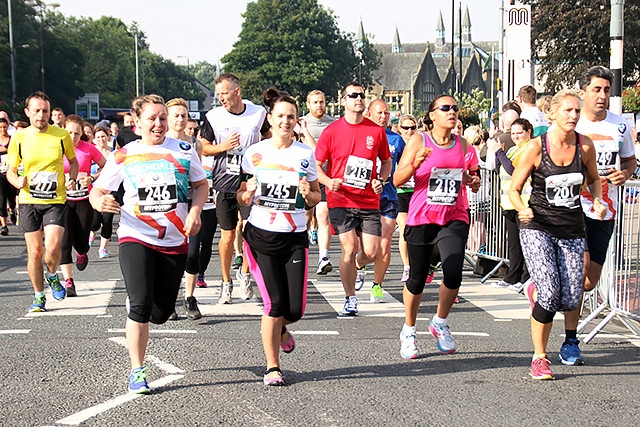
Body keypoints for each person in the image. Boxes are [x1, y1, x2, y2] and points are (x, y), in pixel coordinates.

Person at [89, 94, 208, 394]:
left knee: (161, 313)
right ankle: (137, 370)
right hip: (135, 236)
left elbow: (201, 184)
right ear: (137, 122)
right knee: (141, 306)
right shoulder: (124, 154)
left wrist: (195, 211)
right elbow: (98, 189)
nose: (158, 124)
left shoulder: (183, 150)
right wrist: (101, 201)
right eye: (152, 119)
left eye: (162, 118)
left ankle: (143, 304)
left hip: (174, 240)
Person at [509, 89, 605, 380]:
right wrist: (521, 208)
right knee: (550, 295)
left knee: (572, 295)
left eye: (577, 111)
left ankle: (569, 339)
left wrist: (597, 200)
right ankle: (539, 358)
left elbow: (594, 179)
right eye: (568, 111)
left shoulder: (584, 146)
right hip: (538, 226)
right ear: (553, 114)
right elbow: (513, 189)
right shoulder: (536, 148)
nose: (574, 116)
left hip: (572, 229)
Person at [238, 87, 320, 386]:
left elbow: (315, 196)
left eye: (291, 117)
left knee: (294, 310)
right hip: (261, 235)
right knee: (273, 304)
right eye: (280, 116)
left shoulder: (304, 154)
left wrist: (307, 193)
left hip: (294, 235)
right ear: (270, 119)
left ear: (297, 121)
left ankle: (283, 330)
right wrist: (246, 193)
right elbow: (242, 194)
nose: (286, 121)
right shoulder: (255, 153)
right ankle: (273, 366)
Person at [559, 66, 636, 365]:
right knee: (581, 270)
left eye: (606, 90)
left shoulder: (620, 126)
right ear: (583, 92)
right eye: (596, 89)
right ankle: (570, 340)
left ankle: (546, 289)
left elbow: (629, 160)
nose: (602, 95)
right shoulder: (572, 125)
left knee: (589, 282)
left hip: (605, 209)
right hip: (573, 208)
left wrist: (625, 173)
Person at [393, 94, 480, 359]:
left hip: (454, 216)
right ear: (432, 115)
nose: (452, 112)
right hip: (422, 217)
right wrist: (414, 164)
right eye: (445, 108)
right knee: (417, 280)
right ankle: (409, 329)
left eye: (454, 108)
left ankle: (440, 322)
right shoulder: (419, 140)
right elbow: (397, 179)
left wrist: (471, 181)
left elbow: (462, 175)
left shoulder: (462, 143)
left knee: (453, 272)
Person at [315, 83, 392, 316]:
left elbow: (386, 161)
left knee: (371, 252)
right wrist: (329, 182)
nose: (359, 99)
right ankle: (350, 298)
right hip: (341, 199)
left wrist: (382, 179)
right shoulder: (331, 131)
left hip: (368, 200)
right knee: (349, 248)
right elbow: (317, 166)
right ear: (343, 100)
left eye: (362, 95)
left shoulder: (375, 131)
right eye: (354, 95)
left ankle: (358, 266)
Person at [6, 91, 78, 312]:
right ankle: (39, 296)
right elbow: (10, 170)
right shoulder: (19, 138)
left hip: (55, 199)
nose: (41, 115)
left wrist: (72, 178)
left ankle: (53, 275)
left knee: (53, 247)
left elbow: (73, 162)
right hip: (28, 199)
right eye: (36, 111)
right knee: (35, 252)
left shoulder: (61, 135)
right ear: (27, 112)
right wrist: (17, 181)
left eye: (45, 111)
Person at [200, 73, 268, 304]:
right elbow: (204, 148)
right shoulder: (213, 117)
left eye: (224, 93)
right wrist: (223, 146)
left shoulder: (258, 113)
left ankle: (246, 274)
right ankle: (226, 282)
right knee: (228, 235)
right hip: (225, 180)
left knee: (251, 231)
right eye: (218, 94)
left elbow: (269, 137)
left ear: (237, 91)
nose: (221, 98)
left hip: (251, 180)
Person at [166, 98, 211, 320]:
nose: (180, 119)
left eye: (184, 115)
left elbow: (198, 177)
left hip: (190, 205)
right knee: (172, 256)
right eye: (176, 115)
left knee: (193, 254)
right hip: (165, 208)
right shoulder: (159, 142)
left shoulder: (195, 144)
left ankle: (189, 297)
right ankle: (170, 297)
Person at [362, 99, 404, 303]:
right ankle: (359, 264)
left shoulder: (396, 140)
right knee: (365, 246)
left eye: (386, 113)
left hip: (388, 196)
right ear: (369, 114)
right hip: (362, 197)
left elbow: (406, 165)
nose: (383, 116)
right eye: (379, 113)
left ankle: (377, 285)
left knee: (384, 244)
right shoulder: (361, 135)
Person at [59, 115, 106, 296]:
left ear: (82, 134)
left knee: (81, 239)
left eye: (77, 133)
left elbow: (106, 167)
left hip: (84, 199)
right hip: (62, 200)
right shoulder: (57, 148)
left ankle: (82, 252)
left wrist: (91, 178)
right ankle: (69, 281)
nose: (73, 136)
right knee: (64, 240)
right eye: (69, 132)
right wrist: (63, 182)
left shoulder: (89, 149)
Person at [488, 118, 533, 291]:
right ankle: (512, 277)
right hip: (509, 203)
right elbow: (501, 169)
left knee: (526, 243)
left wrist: (499, 152)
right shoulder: (514, 149)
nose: (515, 136)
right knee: (513, 243)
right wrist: (499, 153)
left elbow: (514, 171)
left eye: (519, 133)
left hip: (524, 202)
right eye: (513, 133)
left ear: (529, 132)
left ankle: (526, 278)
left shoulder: (529, 149)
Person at [301, 90, 335, 275]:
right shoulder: (300, 124)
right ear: (308, 104)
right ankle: (301, 256)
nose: (319, 105)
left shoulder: (333, 124)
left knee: (323, 216)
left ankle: (323, 257)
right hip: (305, 176)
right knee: (305, 218)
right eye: (315, 102)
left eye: (321, 102)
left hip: (324, 175)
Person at [396, 114, 418, 283]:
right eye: (406, 128)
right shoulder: (396, 144)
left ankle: (418, 264)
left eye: (412, 128)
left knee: (417, 230)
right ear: (399, 128)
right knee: (405, 229)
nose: (409, 131)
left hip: (417, 192)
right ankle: (407, 267)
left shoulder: (421, 144)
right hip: (400, 192)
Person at [89, 125, 115, 255]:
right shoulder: (92, 151)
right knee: (95, 221)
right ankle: (92, 234)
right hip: (94, 191)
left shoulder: (114, 153)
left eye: (103, 136)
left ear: (108, 137)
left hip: (110, 191)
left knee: (107, 220)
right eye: (98, 137)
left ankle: (102, 248)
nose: (101, 139)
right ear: (94, 139)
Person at [0, 117, 17, 235]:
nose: (2, 130)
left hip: (11, 173)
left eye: (5, 127)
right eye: (0, 128)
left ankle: (12, 210)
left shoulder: (12, 140)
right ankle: (4, 226)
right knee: (1, 200)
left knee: (12, 199)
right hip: (0, 174)